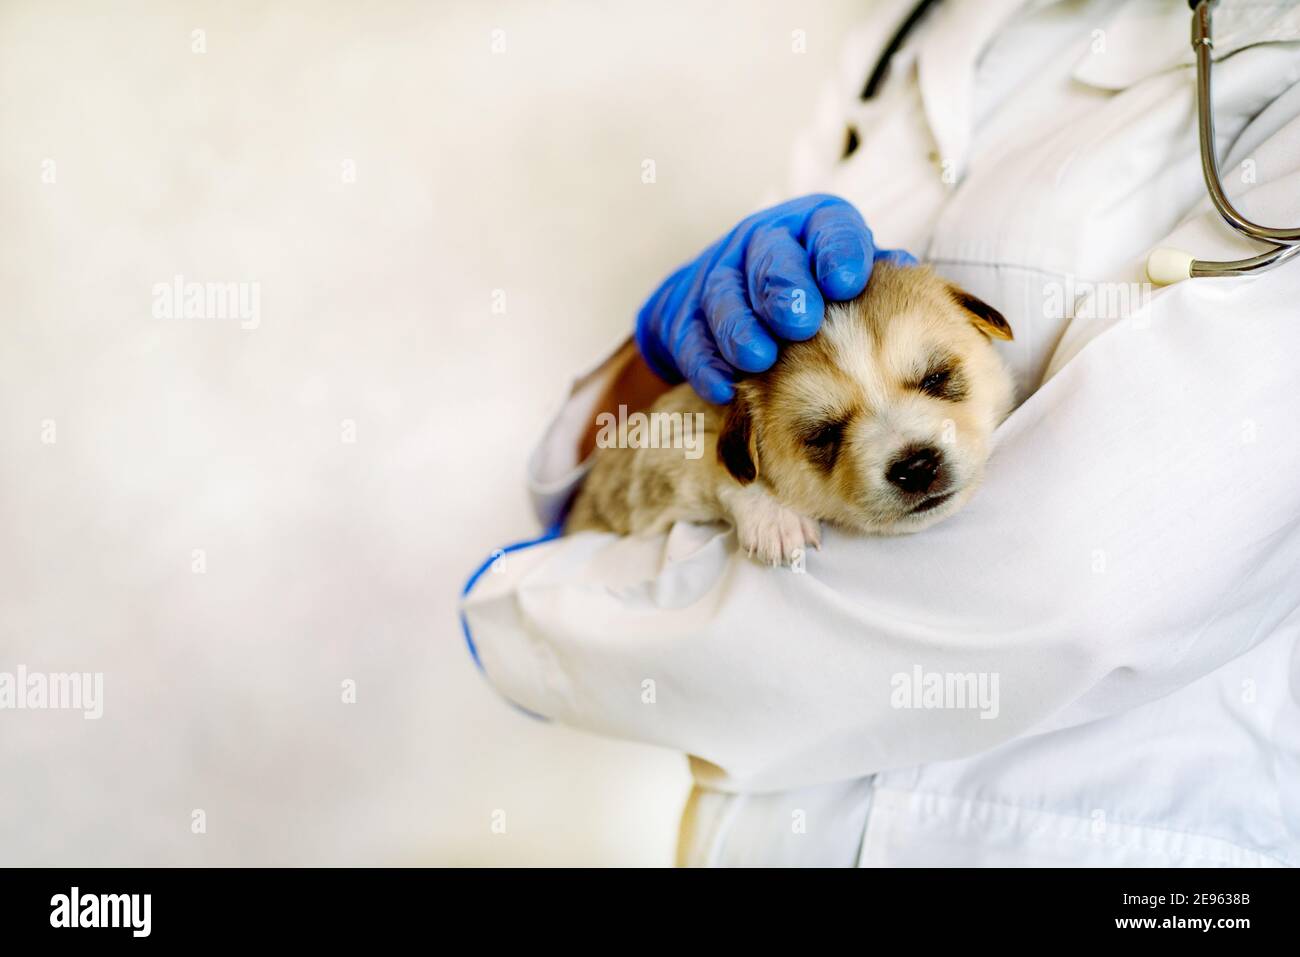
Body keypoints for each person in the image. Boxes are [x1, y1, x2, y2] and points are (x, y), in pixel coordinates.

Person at [461, 0, 1300, 866]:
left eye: (937, 378)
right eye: (826, 436)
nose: (908, 446)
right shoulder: (910, 34)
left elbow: (1062, 584)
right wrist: (652, 355)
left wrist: (537, 613)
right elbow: (695, 415)